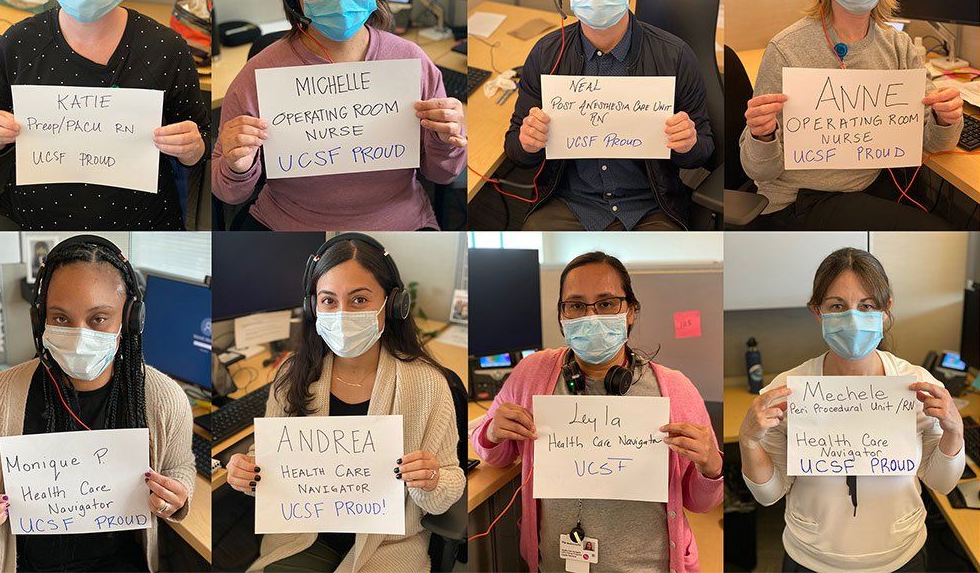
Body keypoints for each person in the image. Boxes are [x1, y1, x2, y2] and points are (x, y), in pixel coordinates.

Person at [212, 0, 466, 230]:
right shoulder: (256, 76)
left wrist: (447, 139)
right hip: (285, 224)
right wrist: (236, 165)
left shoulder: (413, 63)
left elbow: (443, 174)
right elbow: (229, 194)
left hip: (400, 222)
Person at [225, 233, 464, 572]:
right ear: (313, 307)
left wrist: (433, 480)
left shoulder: (427, 384)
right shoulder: (292, 373)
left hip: (389, 542)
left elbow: (449, 486)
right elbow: (265, 462)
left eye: (359, 300)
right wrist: (247, 473)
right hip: (304, 533)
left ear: (393, 304)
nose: (341, 315)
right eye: (328, 301)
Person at [473, 251, 723, 573]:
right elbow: (494, 454)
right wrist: (493, 432)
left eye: (606, 303)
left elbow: (700, 502)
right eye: (576, 305)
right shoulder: (532, 373)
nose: (591, 316)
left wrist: (711, 466)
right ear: (562, 315)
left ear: (631, 312)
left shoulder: (675, 389)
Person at [0, 0, 209, 229]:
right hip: (38, 217)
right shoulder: (19, 43)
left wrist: (192, 147)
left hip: (141, 219)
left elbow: (202, 139)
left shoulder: (165, 47)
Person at [0, 235, 195, 573]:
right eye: (60, 318)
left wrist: (179, 494)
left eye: (99, 318)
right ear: (40, 320)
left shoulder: (164, 398)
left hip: (117, 563)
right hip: (23, 561)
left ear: (130, 321)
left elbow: (180, 467)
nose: (80, 334)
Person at [739, 247, 965, 573]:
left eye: (867, 305)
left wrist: (954, 431)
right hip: (811, 558)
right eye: (837, 306)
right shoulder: (789, 388)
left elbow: (942, 482)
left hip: (900, 556)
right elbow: (768, 494)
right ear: (817, 312)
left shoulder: (916, 385)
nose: (853, 318)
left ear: (886, 310)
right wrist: (749, 441)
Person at [741, 0, 962, 229]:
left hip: (865, 188)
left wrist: (946, 118)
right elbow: (759, 171)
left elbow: (935, 143)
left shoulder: (899, 47)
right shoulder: (786, 48)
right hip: (800, 199)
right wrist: (762, 136)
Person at [503, 0, 714, 230]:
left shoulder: (675, 56)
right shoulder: (546, 55)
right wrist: (528, 143)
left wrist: (687, 144)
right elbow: (517, 153)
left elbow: (704, 152)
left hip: (652, 205)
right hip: (569, 203)